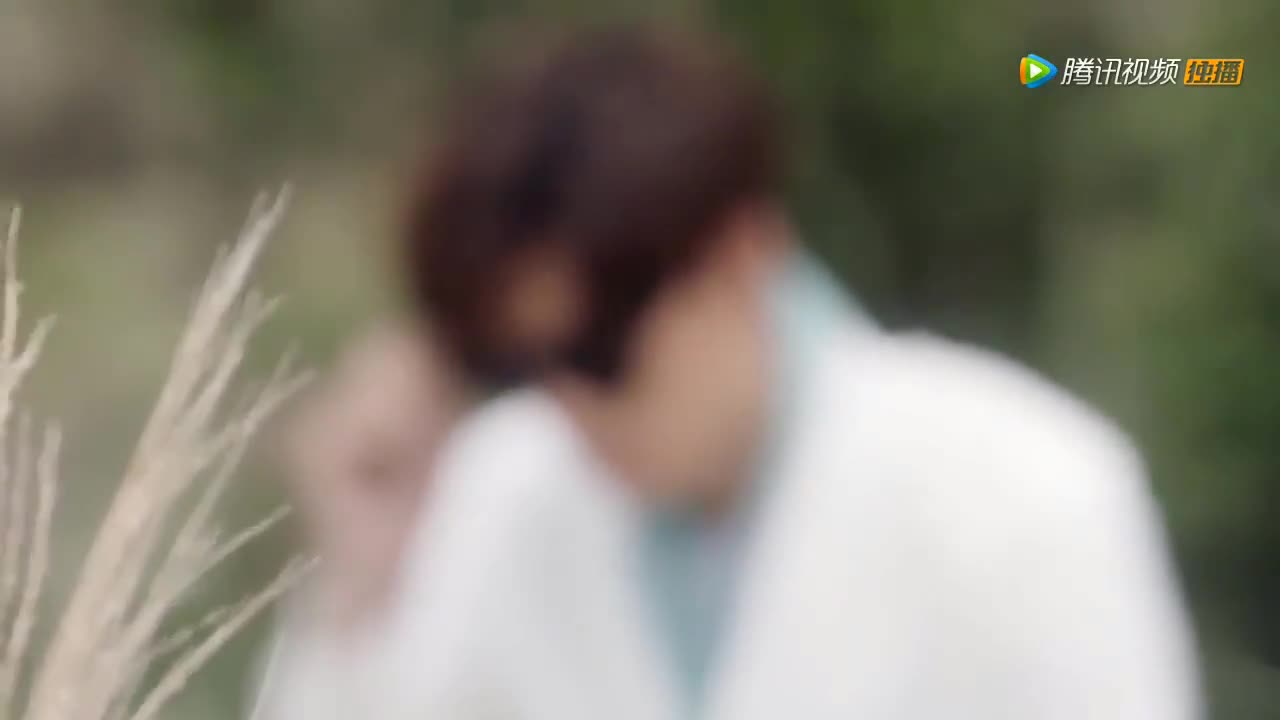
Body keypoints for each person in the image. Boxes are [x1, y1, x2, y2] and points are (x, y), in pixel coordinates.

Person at [255, 26, 1202, 720]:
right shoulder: (506, 489)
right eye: (524, 365)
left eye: (602, 351)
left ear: (740, 252)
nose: (574, 407)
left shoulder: (1027, 486)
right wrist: (360, 581)